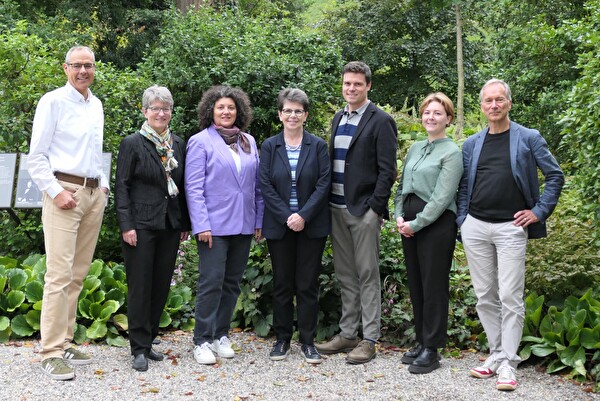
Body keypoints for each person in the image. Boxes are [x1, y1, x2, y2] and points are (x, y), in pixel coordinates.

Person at [457, 79, 564, 391]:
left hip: (511, 228)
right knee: (484, 296)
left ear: (509, 103)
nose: (494, 105)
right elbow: (465, 186)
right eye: (488, 101)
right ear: (482, 106)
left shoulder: (528, 138)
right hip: (476, 226)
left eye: (499, 100)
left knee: (510, 296)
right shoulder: (472, 143)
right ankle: (495, 354)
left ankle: (508, 363)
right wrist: (463, 220)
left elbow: (555, 176)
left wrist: (538, 211)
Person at [28, 46, 109, 380]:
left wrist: (103, 185)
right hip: (65, 192)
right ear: (65, 68)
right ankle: (49, 352)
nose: (82, 71)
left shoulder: (96, 104)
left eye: (88, 65)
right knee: (58, 275)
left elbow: (95, 150)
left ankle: (64, 340)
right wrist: (56, 191)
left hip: (93, 194)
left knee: (77, 274)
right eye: (76, 65)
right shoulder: (52, 101)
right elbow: (37, 156)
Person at [315, 61, 397, 364]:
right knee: (345, 274)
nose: (351, 88)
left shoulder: (380, 120)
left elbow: (388, 171)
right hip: (335, 208)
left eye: (357, 84)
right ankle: (348, 333)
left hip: (363, 211)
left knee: (367, 274)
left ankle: (370, 338)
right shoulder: (339, 117)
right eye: (347, 83)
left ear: (368, 86)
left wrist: (375, 209)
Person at [185, 85, 264, 365]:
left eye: (231, 107)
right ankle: (202, 340)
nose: (226, 112)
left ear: (239, 110)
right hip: (213, 227)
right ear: (211, 110)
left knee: (231, 283)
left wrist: (258, 220)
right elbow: (193, 188)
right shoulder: (200, 141)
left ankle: (221, 335)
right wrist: (201, 224)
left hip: (243, 224)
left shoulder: (249, 141)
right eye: (221, 108)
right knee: (211, 283)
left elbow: (256, 186)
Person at [115, 85, 190, 372]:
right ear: (145, 111)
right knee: (140, 285)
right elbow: (122, 187)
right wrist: (126, 225)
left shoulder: (179, 143)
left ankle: (150, 339)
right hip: (141, 225)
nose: (161, 113)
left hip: (170, 224)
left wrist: (184, 223)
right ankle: (138, 348)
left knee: (160, 285)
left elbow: (183, 187)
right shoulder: (132, 143)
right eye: (155, 108)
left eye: (166, 108)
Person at [259, 88, 331, 364]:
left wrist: (303, 215)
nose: (292, 115)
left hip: (311, 226)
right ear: (280, 115)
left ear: (306, 115)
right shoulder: (269, 146)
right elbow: (264, 184)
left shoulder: (318, 146)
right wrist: (287, 216)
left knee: (307, 285)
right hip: (280, 226)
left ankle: (308, 342)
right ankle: (281, 340)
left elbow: (324, 183)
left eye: (297, 111)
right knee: (282, 284)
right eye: (287, 110)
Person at [394, 93, 463, 374]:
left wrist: (416, 223)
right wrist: (399, 215)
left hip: (435, 224)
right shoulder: (415, 148)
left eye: (437, 113)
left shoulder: (452, 152)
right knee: (417, 283)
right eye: (427, 112)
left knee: (433, 285)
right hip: (409, 222)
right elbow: (402, 187)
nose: (431, 117)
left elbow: (442, 197)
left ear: (448, 118)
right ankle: (421, 341)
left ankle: (432, 349)